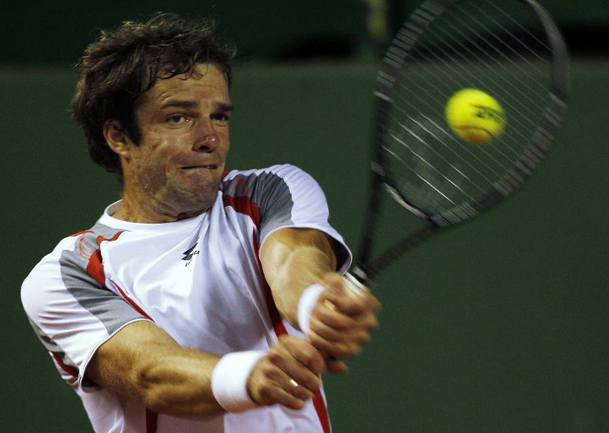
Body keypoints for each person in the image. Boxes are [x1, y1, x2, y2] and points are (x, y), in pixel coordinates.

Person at [21, 13, 380, 433]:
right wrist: (248, 377)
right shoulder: (66, 275)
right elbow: (149, 372)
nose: (210, 138)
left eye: (220, 116)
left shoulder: (270, 191)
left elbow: (293, 263)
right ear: (118, 137)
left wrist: (316, 305)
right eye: (179, 117)